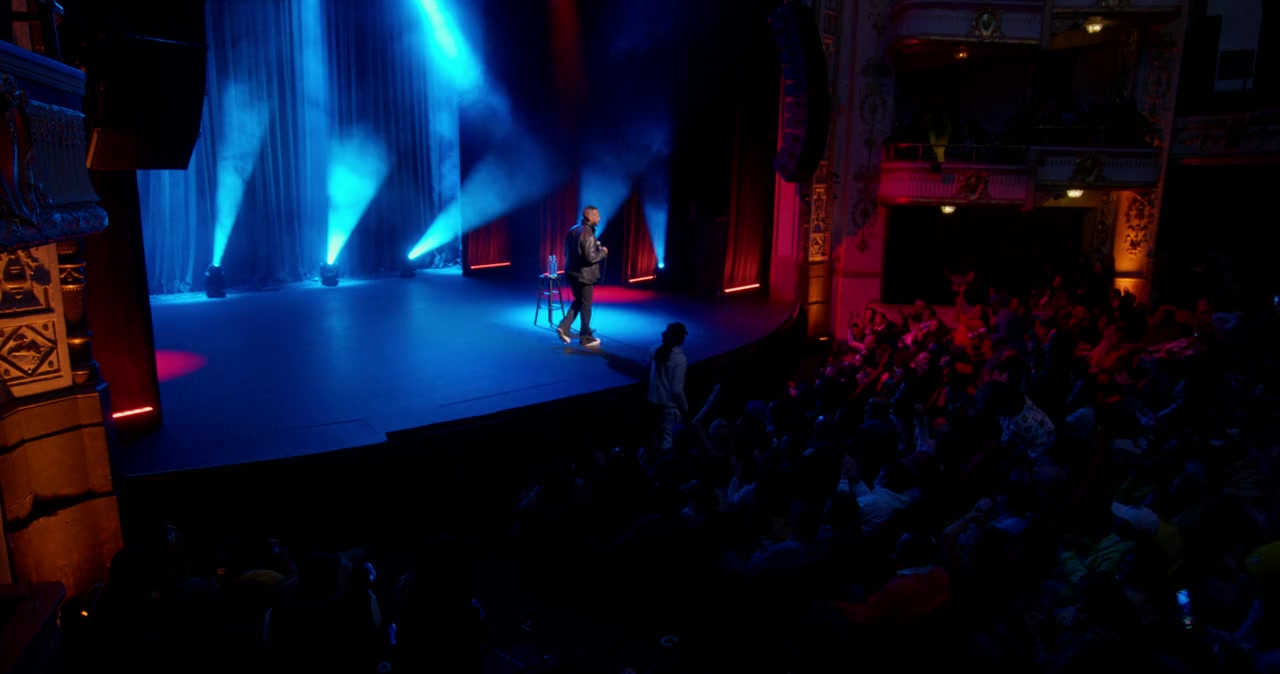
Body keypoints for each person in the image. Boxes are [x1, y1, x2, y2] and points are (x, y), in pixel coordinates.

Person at [557, 206, 608, 347]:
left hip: (572, 273)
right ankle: (586, 338)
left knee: (579, 301)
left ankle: (564, 326)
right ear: (590, 217)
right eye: (597, 216)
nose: (599, 218)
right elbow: (591, 257)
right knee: (586, 306)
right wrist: (603, 252)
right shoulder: (588, 234)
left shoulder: (573, 230)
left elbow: (567, 251)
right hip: (585, 276)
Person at [647, 322, 689, 451]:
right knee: (667, 442)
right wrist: (685, 409)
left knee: (653, 440)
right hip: (668, 407)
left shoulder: (654, 349)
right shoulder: (680, 359)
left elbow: (649, 371)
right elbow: (677, 390)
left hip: (652, 402)